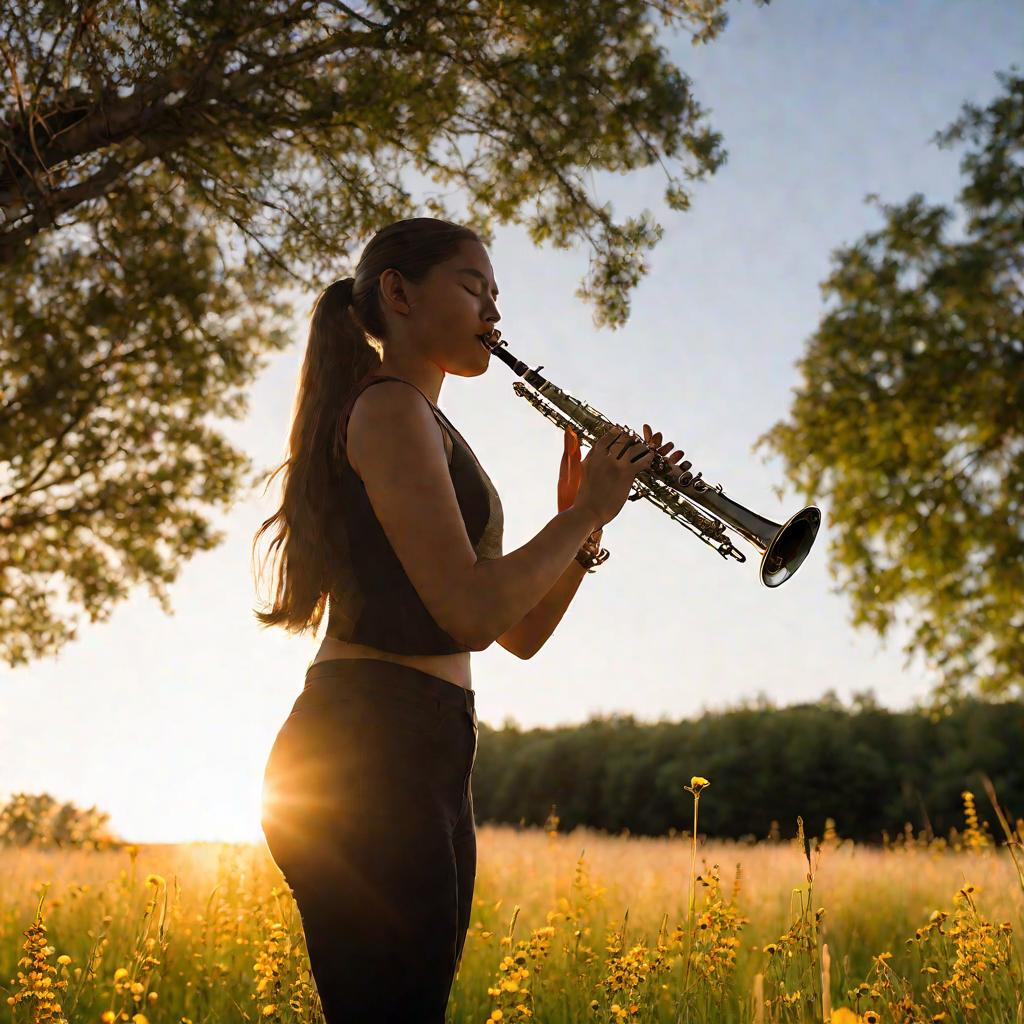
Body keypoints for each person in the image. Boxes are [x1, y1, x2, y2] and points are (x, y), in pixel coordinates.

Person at [252, 217, 686, 1023]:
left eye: (497, 295)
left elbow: (516, 634)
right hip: (368, 745)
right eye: (474, 286)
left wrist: (582, 530)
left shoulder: (430, 425)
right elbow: (471, 610)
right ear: (398, 292)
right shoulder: (387, 410)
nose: (494, 310)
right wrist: (587, 504)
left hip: (429, 741)